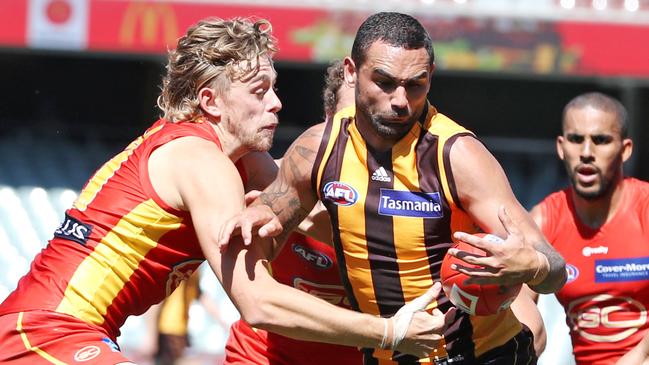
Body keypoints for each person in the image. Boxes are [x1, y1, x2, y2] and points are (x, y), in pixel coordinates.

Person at [0, 17, 454, 364]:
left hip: (54, 332)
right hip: (45, 334)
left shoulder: (238, 160)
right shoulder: (203, 161)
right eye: (259, 91)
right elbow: (259, 303)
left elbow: (320, 206)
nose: (276, 102)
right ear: (210, 101)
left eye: (275, 88)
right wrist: (389, 332)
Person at [219, 11, 567, 364]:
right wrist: (261, 213)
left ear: (430, 78)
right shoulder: (317, 150)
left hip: (481, 355)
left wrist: (534, 265)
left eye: (415, 84)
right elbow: (270, 222)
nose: (400, 100)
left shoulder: (458, 155)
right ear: (352, 73)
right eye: (384, 82)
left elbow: (554, 270)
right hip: (384, 355)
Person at [224, 60, 363, 365]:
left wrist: (303, 222)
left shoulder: (415, 198)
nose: (363, 132)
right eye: (351, 118)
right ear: (327, 120)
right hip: (263, 356)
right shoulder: (271, 177)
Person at [524, 92, 649, 365]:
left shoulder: (645, 209)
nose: (586, 153)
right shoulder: (543, 221)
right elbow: (521, 316)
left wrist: (638, 356)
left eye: (601, 140)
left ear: (626, 149)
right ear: (561, 147)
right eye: (576, 139)